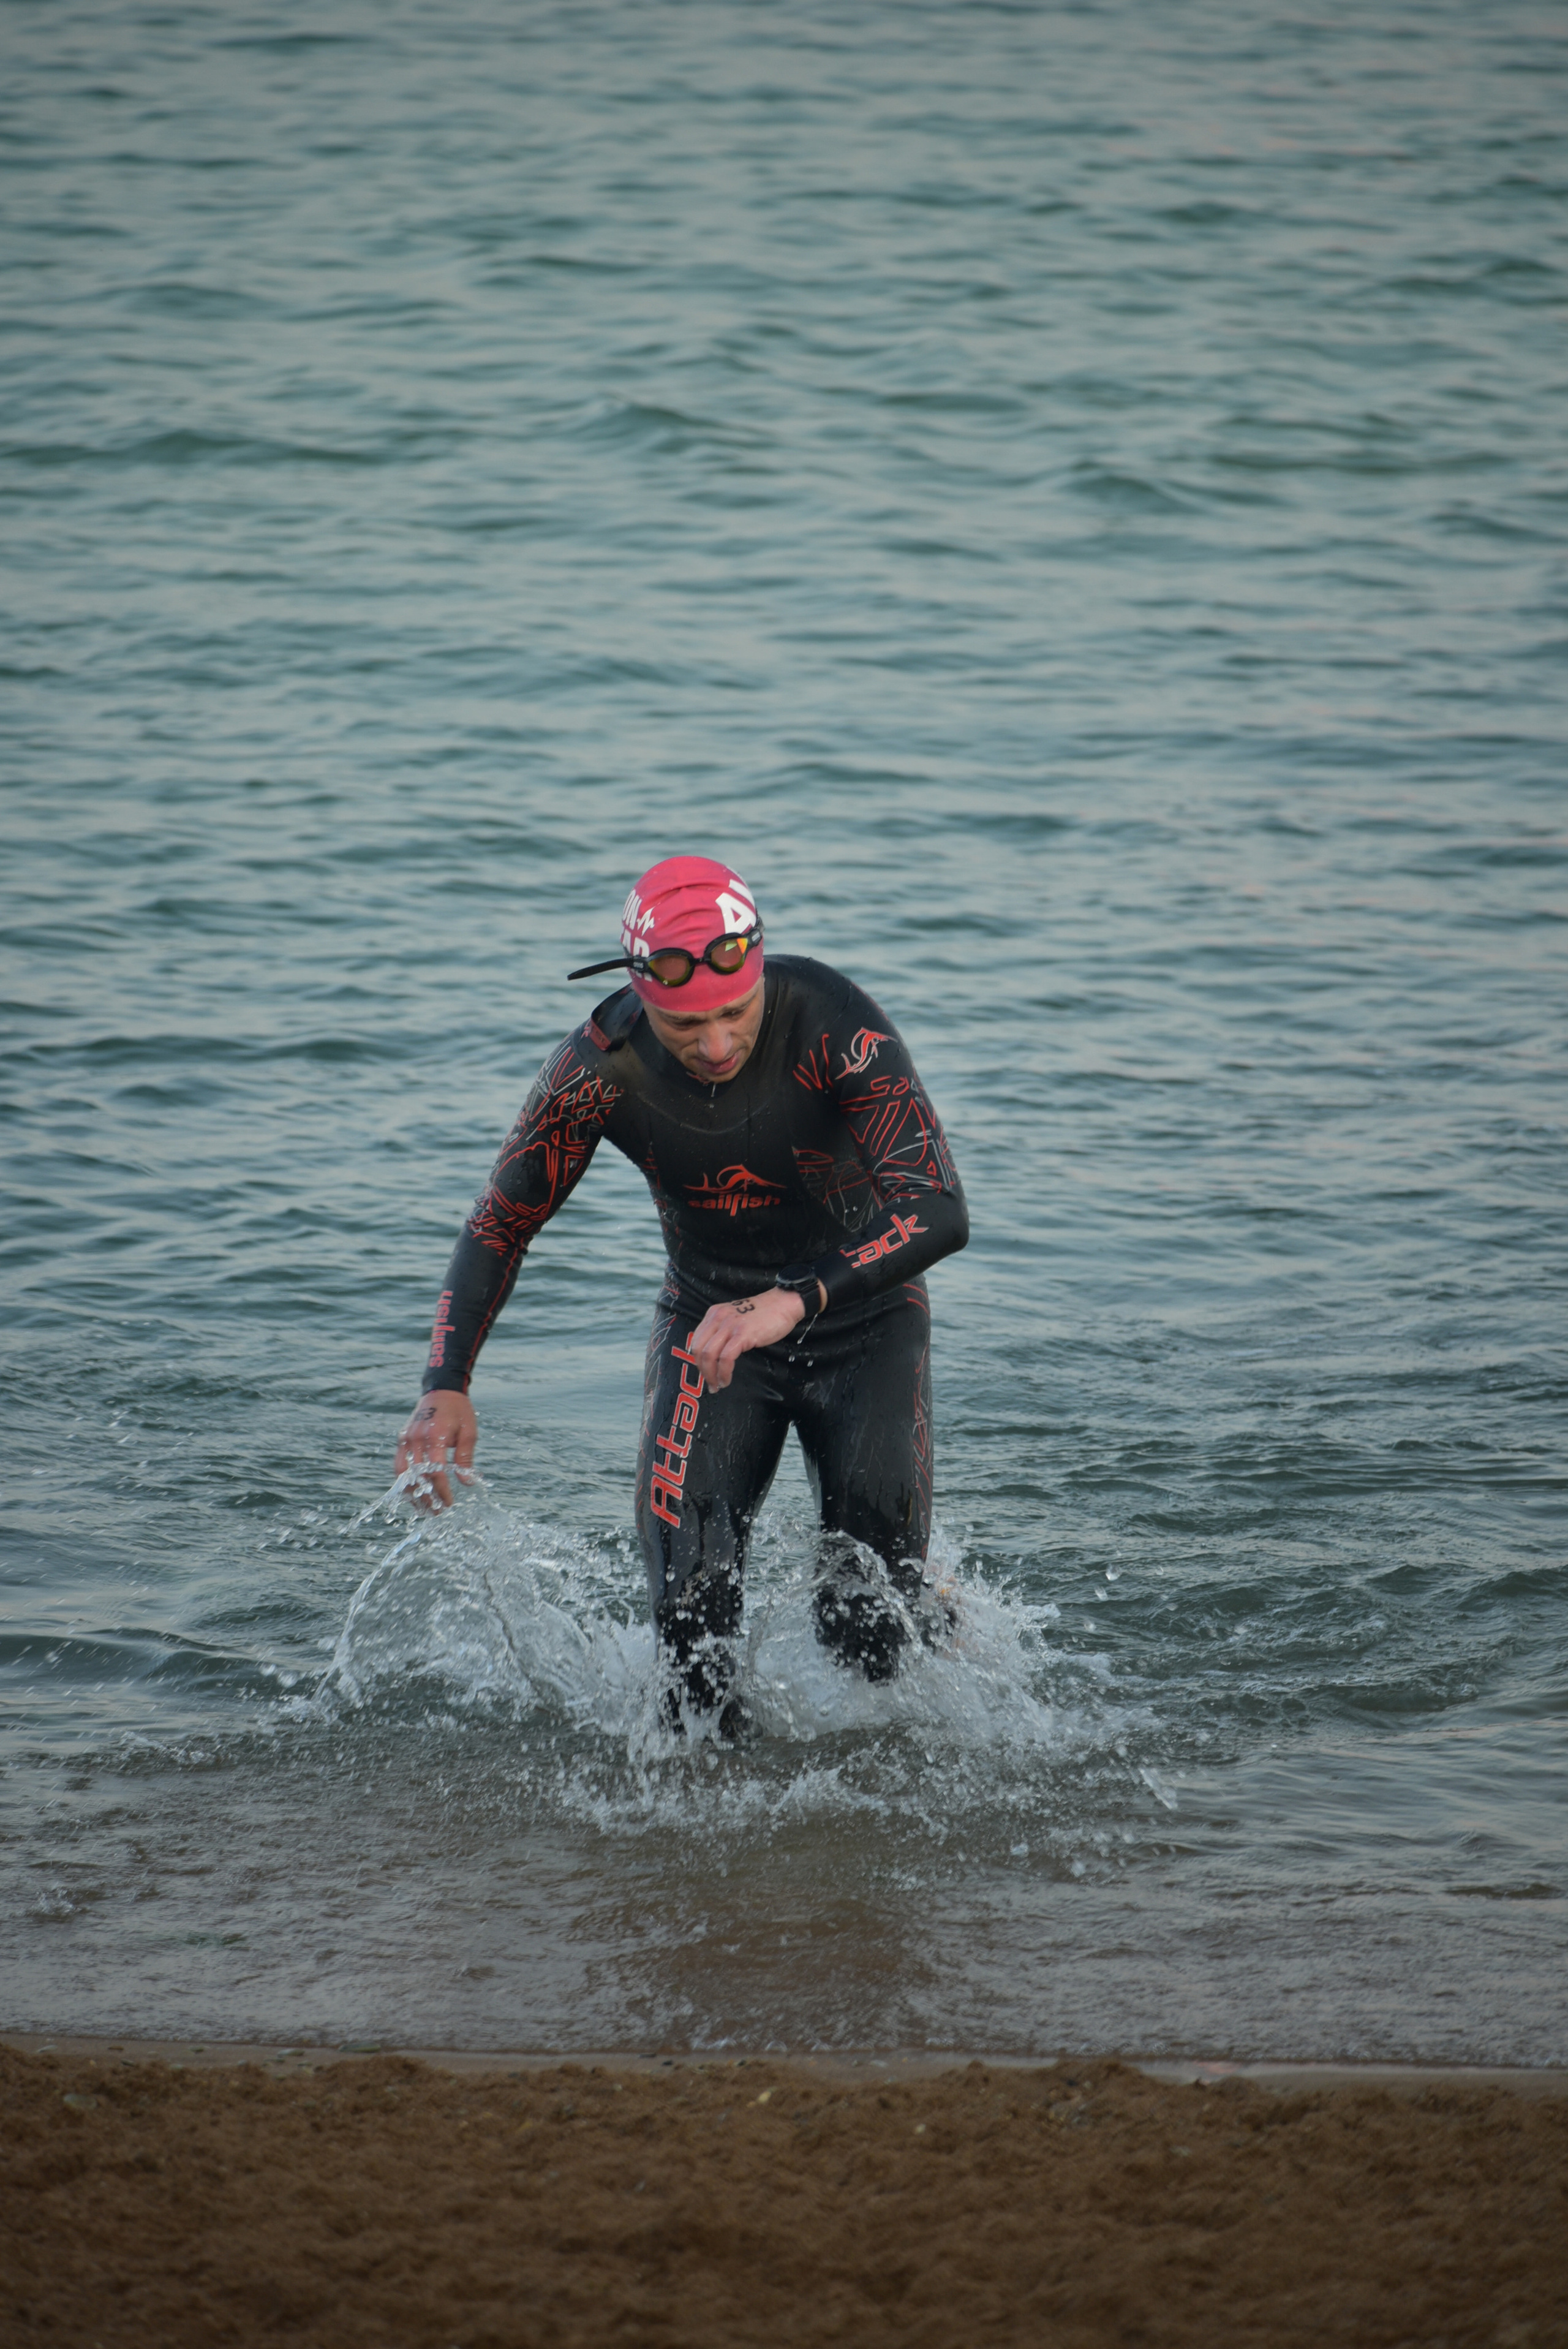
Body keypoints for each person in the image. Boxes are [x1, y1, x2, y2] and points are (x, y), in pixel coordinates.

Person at [396, 854, 968, 1729]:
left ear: (761, 971)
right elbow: (499, 1223)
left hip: (866, 1322)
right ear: (639, 992)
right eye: (686, 1024)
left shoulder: (833, 1022)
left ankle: (940, 1611)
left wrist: (791, 1300)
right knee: (691, 1645)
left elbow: (937, 1207)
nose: (716, 1045)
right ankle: (707, 1817)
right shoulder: (598, 1067)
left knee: (868, 1631)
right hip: (709, 1334)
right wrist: (445, 1382)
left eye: (736, 1012)